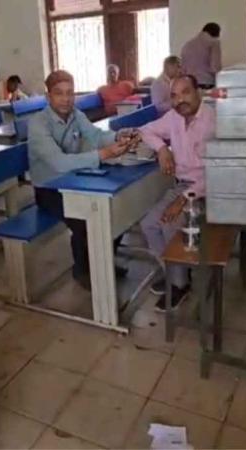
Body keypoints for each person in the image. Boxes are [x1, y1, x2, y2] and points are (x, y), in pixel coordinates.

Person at [29, 70, 140, 289]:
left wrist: (118, 136)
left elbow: (96, 136)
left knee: (115, 210)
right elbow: (59, 163)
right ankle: (82, 269)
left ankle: (103, 261)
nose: (66, 99)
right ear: (48, 97)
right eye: (59, 93)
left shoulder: (75, 114)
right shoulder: (38, 124)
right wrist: (103, 154)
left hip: (75, 179)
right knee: (84, 219)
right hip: (49, 189)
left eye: (70, 93)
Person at [139, 74, 216, 310]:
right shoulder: (173, 117)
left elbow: (218, 173)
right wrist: (163, 149)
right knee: (149, 224)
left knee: (171, 224)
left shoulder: (214, 121)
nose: (180, 100)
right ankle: (174, 273)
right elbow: (145, 130)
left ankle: (179, 284)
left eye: (186, 92)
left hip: (209, 190)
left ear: (198, 92)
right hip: (182, 185)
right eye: (174, 95)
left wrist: (183, 200)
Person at [181, 23, 222, 88]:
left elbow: (183, 68)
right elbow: (215, 67)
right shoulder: (214, 43)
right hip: (206, 82)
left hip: (190, 83)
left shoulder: (188, 44)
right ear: (216, 32)